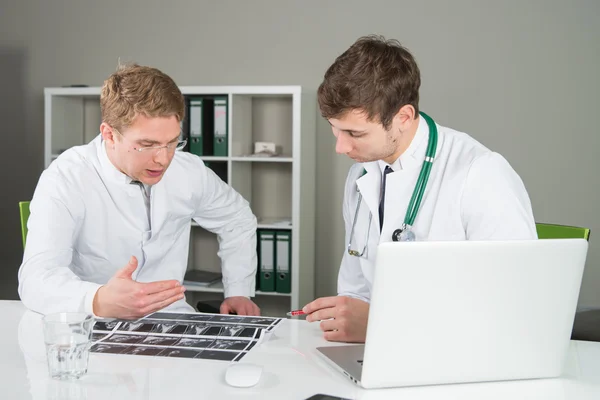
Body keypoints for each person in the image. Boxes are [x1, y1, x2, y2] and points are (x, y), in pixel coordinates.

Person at [303, 35, 537, 343]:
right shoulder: (360, 176)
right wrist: (345, 315)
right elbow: (356, 287)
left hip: (461, 358)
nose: (340, 146)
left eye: (354, 133)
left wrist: (381, 324)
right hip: (380, 352)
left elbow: (517, 307)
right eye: (335, 129)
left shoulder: (479, 173)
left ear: (403, 117)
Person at [18, 63, 261, 319]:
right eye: (147, 145)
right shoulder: (67, 177)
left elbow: (237, 218)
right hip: (91, 324)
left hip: (171, 320)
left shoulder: (187, 170)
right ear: (109, 134)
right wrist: (97, 299)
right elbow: (36, 279)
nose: (163, 159)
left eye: (172, 142)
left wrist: (239, 290)